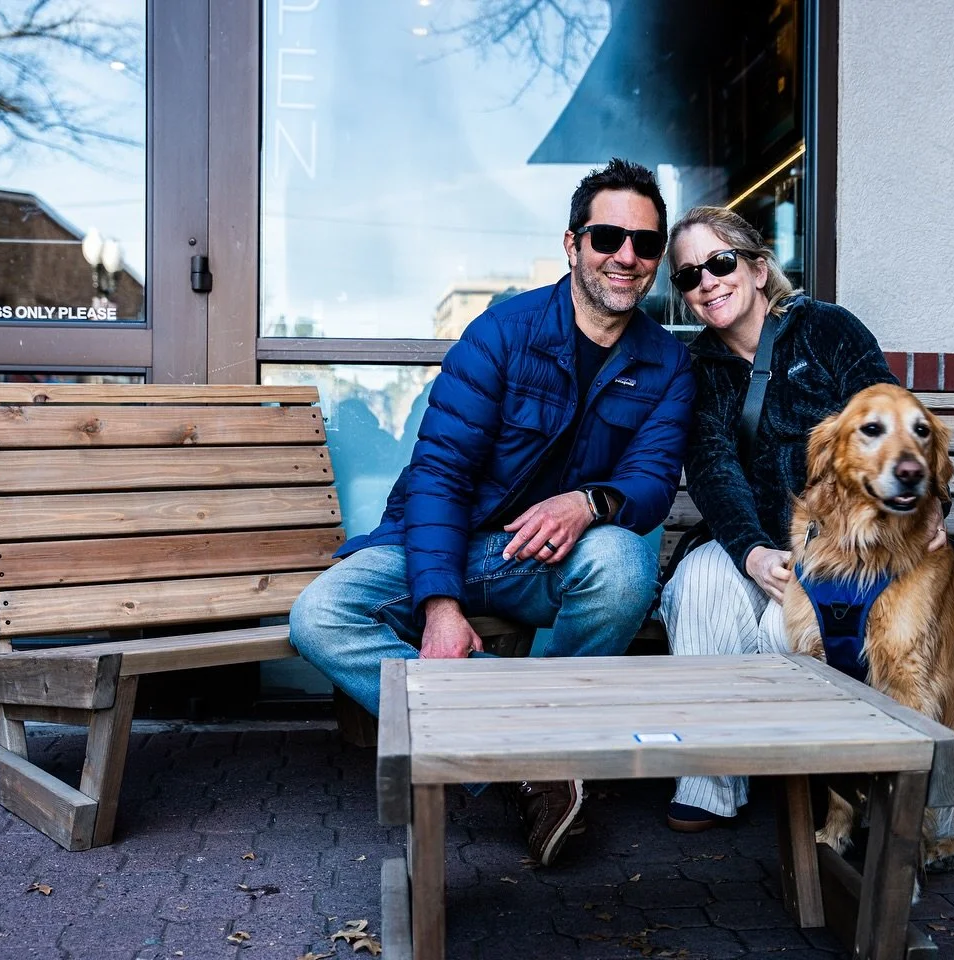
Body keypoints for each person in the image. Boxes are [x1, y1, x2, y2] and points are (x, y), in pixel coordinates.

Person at [290, 159, 695, 866]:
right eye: (607, 237)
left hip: (547, 560)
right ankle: (524, 759)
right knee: (318, 616)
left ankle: (517, 747)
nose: (626, 256)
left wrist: (588, 501)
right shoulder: (503, 332)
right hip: (444, 543)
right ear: (573, 246)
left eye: (645, 243)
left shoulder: (667, 363)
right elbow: (440, 474)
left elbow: (653, 480)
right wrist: (440, 603)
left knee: (627, 562)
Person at [657, 205, 943, 832]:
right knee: (698, 584)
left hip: (839, 547)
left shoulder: (827, 331)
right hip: (750, 541)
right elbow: (711, 469)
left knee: (783, 629)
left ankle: (812, 781)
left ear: (759, 268)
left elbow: (891, 413)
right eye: (688, 276)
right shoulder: (698, 368)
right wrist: (753, 553)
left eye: (721, 262)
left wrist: (929, 506)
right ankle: (709, 782)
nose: (707, 281)